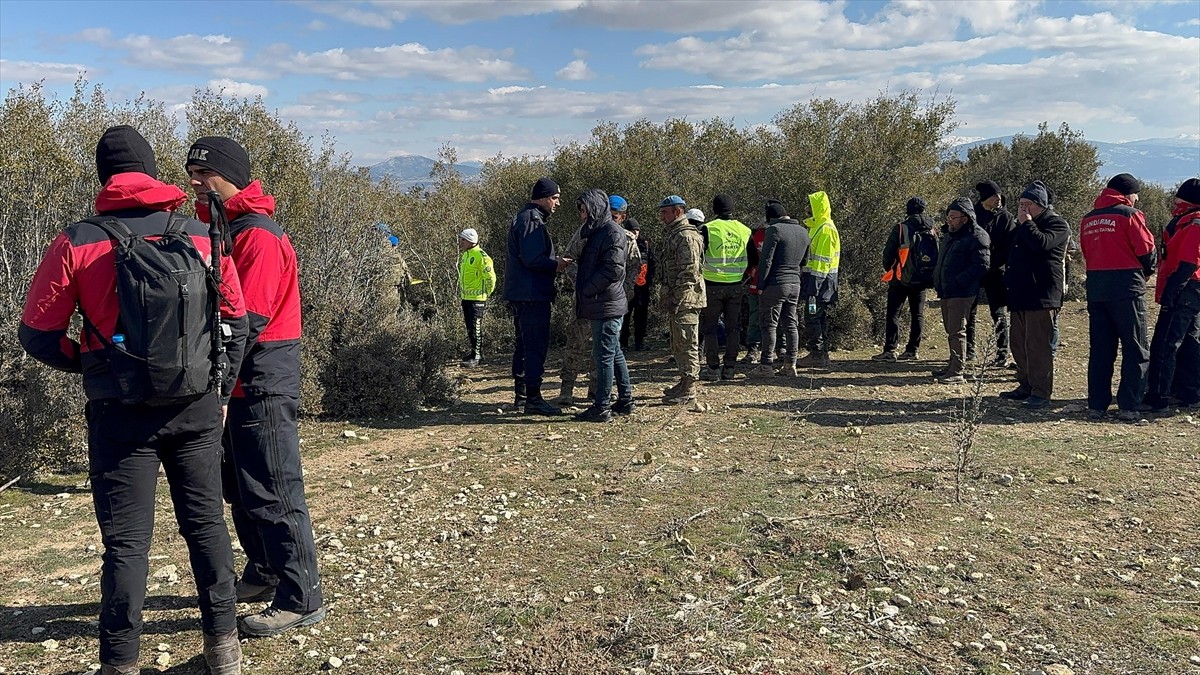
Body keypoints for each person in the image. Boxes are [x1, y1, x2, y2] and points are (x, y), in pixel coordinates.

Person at [20, 126, 249, 675]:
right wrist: (220, 386)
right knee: (206, 528)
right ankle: (224, 651)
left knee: (126, 544)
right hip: (194, 405)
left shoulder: (78, 241)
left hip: (120, 414)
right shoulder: (199, 234)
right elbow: (237, 320)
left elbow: (37, 333)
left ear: (104, 178)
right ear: (152, 172)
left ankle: (120, 664)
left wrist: (96, 365)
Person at [186, 136, 325, 638]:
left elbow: (247, 321)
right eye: (191, 174)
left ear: (230, 176)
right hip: (240, 380)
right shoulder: (224, 229)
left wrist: (217, 393)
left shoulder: (257, 236)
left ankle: (301, 596)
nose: (195, 183)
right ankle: (265, 571)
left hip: (263, 378)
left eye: (203, 174)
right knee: (241, 488)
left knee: (274, 489)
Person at [1079, 173, 1156, 421]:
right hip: (1126, 288)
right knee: (1135, 348)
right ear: (1127, 193)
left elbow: (1086, 254)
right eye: (1135, 194)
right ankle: (1129, 405)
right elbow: (1146, 249)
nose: (1136, 199)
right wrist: (1148, 271)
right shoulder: (1129, 215)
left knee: (1101, 349)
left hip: (1097, 287)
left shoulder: (1088, 219)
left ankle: (1097, 404)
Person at [504, 177, 571, 414]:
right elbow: (532, 259)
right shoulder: (531, 220)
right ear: (542, 197)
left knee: (523, 344)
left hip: (523, 293)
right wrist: (557, 265)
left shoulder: (523, 217)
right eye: (554, 198)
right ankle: (533, 398)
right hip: (532, 294)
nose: (557, 204)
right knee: (534, 346)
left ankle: (522, 396)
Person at [1001, 181, 1070, 409]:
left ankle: (1041, 391)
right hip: (1020, 295)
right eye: (1020, 204)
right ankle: (1025, 385)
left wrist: (1027, 225)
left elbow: (1042, 245)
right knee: (1019, 343)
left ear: (1040, 204)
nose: (1022, 209)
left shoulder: (1056, 224)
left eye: (1027, 204)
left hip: (1042, 295)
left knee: (1038, 346)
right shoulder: (1020, 226)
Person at [572, 189, 635, 421]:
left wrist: (586, 289)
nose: (582, 215)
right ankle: (626, 400)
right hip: (603, 303)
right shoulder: (598, 231)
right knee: (614, 351)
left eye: (584, 210)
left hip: (606, 303)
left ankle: (601, 407)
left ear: (596, 208)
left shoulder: (611, 232)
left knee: (604, 355)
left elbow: (613, 269)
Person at [1144, 178, 1200, 411]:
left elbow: (1188, 260)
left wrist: (1171, 291)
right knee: (1189, 340)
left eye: (1179, 197)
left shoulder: (1193, 222)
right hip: (1192, 286)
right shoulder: (1187, 220)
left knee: (1166, 341)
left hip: (1185, 285)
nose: (1175, 200)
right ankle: (1189, 392)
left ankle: (1158, 395)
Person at [932, 198, 991, 384]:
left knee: (957, 331)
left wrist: (959, 281)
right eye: (948, 216)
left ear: (964, 218)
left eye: (953, 217)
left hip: (961, 292)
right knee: (951, 330)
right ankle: (952, 365)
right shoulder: (950, 235)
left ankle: (957, 371)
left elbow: (982, 265)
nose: (949, 220)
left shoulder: (977, 235)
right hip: (947, 290)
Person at [699, 195, 756, 381]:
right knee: (733, 328)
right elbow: (754, 259)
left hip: (712, 285)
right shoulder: (745, 230)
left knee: (710, 328)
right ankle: (730, 367)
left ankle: (713, 368)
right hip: (736, 286)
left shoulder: (708, 228)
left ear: (715, 209)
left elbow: (698, 256)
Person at [754, 200, 811, 377]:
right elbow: (805, 261)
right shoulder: (803, 231)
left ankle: (766, 366)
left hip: (775, 283)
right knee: (790, 324)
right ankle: (790, 364)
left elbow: (766, 260)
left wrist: (760, 285)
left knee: (769, 324)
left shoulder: (775, 229)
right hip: (795, 283)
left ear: (771, 218)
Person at [875, 197, 935, 361]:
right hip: (923, 278)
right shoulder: (931, 229)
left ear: (908, 210)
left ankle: (890, 350)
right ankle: (912, 350)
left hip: (900, 278)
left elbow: (888, 254)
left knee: (894, 313)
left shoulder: (901, 228)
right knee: (918, 314)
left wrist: (891, 269)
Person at [658, 195, 706, 402]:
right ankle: (684, 381)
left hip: (686, 299)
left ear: (677, 212)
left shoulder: (686, 236)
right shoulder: (675, 234)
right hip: (679, 299)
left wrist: (676, 298)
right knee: (678, 342)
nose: (662, 217)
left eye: (664, 212)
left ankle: (690, 388)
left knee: (687, 342)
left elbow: (690, 273)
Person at [967, 180, 1016, 366]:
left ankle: (1002, 353)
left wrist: (994, 263)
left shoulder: (1006, 218)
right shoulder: (973, 215)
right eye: (994, 195)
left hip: (996, 271)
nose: (998, 199)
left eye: (999, 195)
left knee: (998, 313)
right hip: (974, 269)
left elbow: (1008, 246)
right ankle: (969, 351)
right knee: (969, 312)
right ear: (985, 198)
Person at [798, 191, 841, 367]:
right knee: (818, 317)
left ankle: (817, 355)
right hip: (817, 282)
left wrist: (814, 288)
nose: (807, 208)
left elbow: (822, 262)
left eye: (810, 205)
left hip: (820, 283)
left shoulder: (825, 229)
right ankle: (822, 354)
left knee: (813, 317)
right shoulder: (818, 227)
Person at [457, 228, 496, 368]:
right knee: (469, 327)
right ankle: (474, 352)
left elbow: (490, 277)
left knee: (476, 328)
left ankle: (477, 356)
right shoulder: (465, 255)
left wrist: (486, 293)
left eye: (463, 239)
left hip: (477, 299)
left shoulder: (482, 256)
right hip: (466, 297)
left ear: (470, 241)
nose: (461, 242)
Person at [620, 214, 654, 351]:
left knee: (641, 316)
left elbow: (652, 263)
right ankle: (623, 343)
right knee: (625, 316)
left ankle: (639, 342)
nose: (635, 233)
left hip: (642, 287)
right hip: (627, 286)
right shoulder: (622, 243)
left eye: (637, 231)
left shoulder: (645, 244)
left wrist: (649, 281)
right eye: (633, 231)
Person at [741, 216, 769, 364]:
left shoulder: (778, 233)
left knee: (776, 318)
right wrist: (749, 271)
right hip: (755, 283)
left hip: (773, 285)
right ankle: (753, 349)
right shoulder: (753, 235)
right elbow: (747, 257)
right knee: (755, 317)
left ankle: (780, 349)